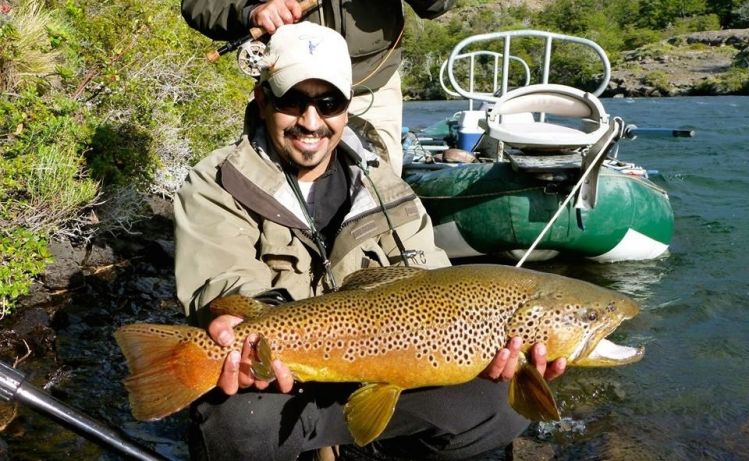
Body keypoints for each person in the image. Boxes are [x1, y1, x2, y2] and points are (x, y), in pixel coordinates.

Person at [174, 22, 565, 461]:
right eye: (292, 100)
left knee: (498, 408)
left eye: (329, 103)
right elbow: (224, 284)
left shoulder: (386, 188)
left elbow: (436, 288)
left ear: (348, 106)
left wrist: (494, 358)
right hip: (275, 381)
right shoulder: (218, 180)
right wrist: (240, 330)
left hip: (373, 379)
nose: (310, 120)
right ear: (262, 99)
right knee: (238, 420)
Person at [181, 0, 457, 176]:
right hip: (287, 95)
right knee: (274, 191)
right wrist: (250, 11)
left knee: (376, 194)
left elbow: (439, 5)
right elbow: (200, 5)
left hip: (371, 87)